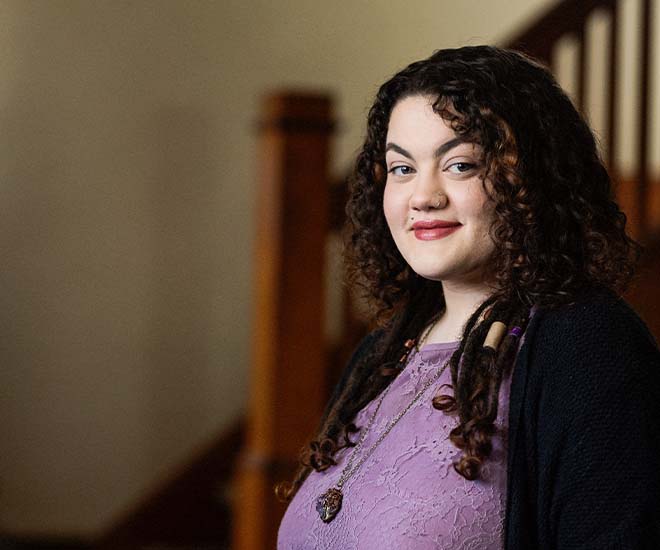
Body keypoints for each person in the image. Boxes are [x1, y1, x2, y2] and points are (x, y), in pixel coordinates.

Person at [276, 45, 660, 549]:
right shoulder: (381, 355)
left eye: (459, 165)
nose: (423, 196)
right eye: (402, 168)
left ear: (530, 179)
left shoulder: (587, 347)